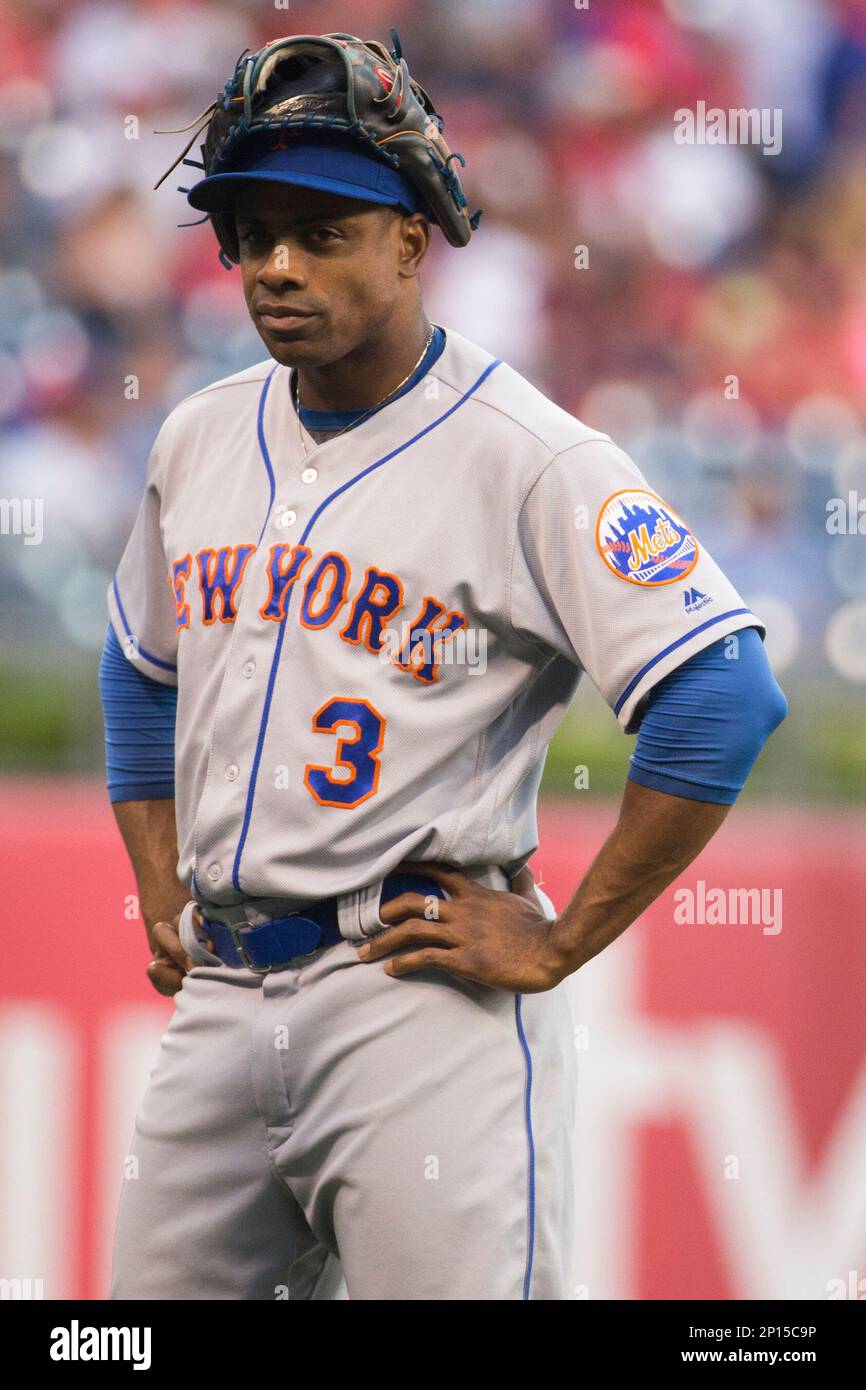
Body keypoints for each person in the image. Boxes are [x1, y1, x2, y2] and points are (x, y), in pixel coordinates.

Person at [100, 31, 787, 1300]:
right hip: (221, 1001)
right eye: (250, 233)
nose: (276, 266)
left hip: (413, 1000)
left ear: (410, 239)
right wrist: (156, 883)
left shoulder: (529, 454)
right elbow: (139, 666)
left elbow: (721, 693)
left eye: (322, 228)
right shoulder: (196, 435)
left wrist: (561, 941)